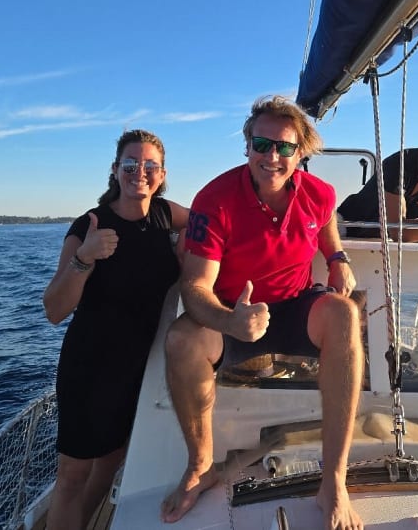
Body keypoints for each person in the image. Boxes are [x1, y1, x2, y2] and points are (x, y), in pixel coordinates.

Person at [160, 96, 364, 530]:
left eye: (284, 148)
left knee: (344, 315)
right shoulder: (214, 200)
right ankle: (200, 465)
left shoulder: (319, 193)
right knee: (181, 340)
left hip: (293, 306)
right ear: (247, 146)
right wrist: (230, 320)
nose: (272, 156)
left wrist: (338, 256)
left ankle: (334, 479)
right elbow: (194, 286)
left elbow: (324, 222)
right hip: (231, 312)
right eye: (261, 144)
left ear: (301, 153)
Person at [42, 129, 189, 530]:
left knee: (108, 466)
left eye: (149, 166)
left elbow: (211, 221)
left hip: (137, 369)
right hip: (90, 365)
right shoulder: (89, 224)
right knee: (72, 477)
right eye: (130, 164)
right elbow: (54, 309)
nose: (139, 172)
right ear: (115, 170)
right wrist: (85, 259)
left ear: (161, 174)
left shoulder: (164, 215)